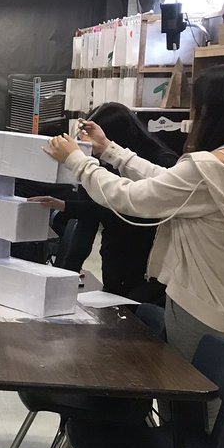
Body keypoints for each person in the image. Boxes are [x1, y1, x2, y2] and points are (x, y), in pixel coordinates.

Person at [46, 65, 224, 392]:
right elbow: (167, 182)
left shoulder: (209, 167)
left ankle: (177, 444)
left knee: (183, 403)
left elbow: (130, 198)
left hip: (199, 305)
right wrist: (110, 150)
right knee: (207, 400)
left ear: (216, 110)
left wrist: (78, 162)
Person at [29, 102, 180, 301]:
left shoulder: (162, 164)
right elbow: (88, 224)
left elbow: (127, 205)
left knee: (142, 320)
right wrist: (65, 276)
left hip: (150, 266)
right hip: (114, 258)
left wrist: (66, 203)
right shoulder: (99, 163)